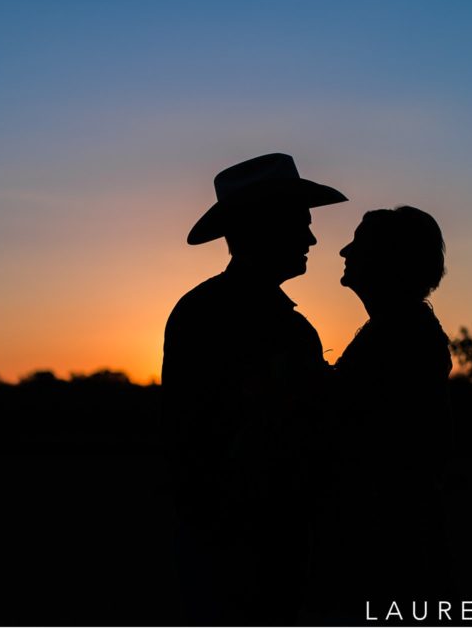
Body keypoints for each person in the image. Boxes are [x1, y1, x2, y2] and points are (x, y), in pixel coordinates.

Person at [162, 153, 346, 625]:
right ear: (260, 227)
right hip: (238, 546)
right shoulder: (245, 322)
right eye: (298, 223)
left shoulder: (205, 312)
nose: (311, 237)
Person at [306, 206, 453, 623]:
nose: (343, 251)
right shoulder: (400, 330)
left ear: (390, 260)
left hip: (389, 550)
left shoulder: (401, 337)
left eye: (359, 244)